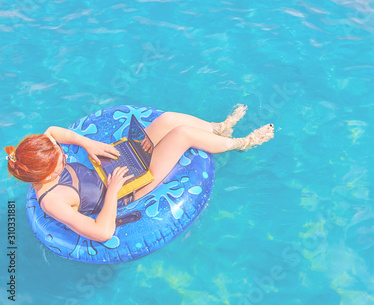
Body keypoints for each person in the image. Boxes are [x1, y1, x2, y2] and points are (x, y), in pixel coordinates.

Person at [5, 104, 274, 242]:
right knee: (182, 135)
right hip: (127, 190)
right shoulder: (53, 201)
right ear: (48, 176)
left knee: (167, 120)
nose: (64, 154)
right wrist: (112, 191)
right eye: (61, 160)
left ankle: (219, 128)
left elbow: (53, 131)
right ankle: (242, 144)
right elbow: (102, 233)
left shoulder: (42, 154)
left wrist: (87, 143)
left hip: (111, 166)